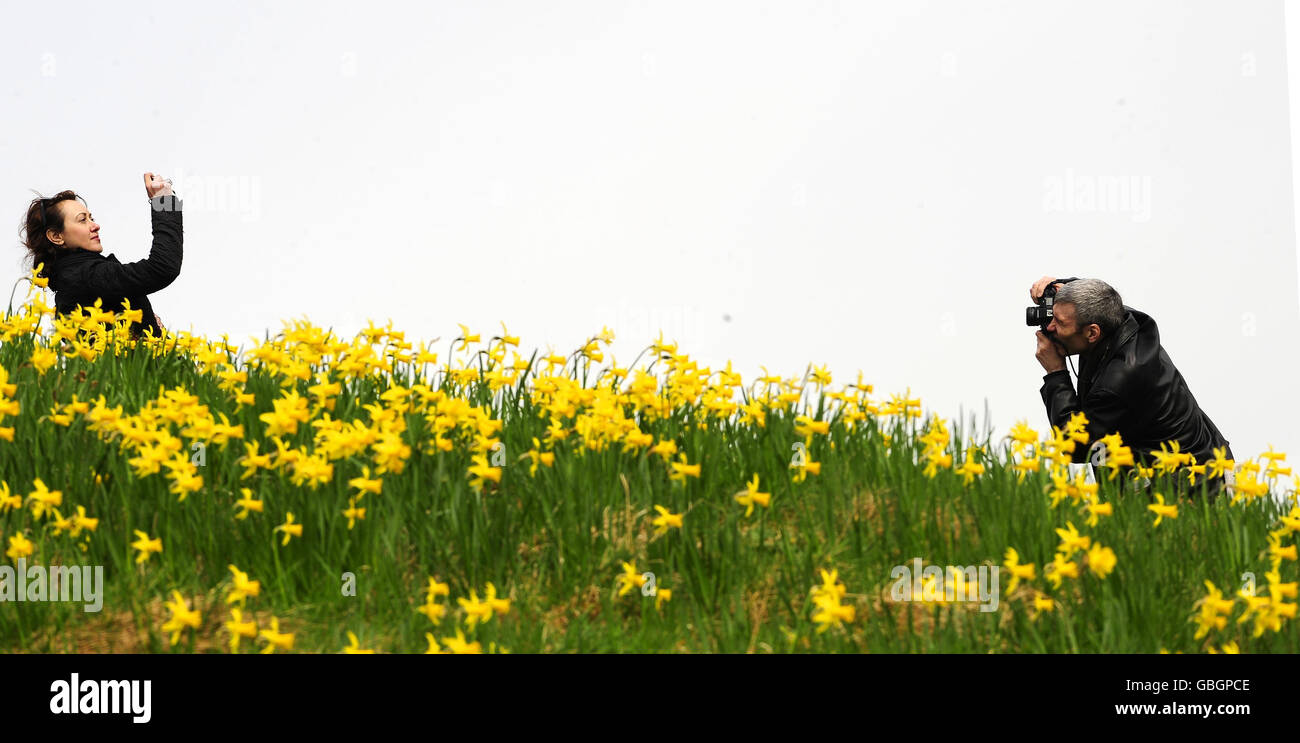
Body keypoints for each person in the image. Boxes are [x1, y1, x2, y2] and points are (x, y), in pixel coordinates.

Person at [1030, 276, 1234, 497]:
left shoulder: (1120, 380)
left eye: (1059, 323)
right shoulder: (1120, 317)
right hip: (1193, 465)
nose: (1050, 327)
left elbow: (1074, 444)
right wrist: (1062, 285)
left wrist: (1056, 373)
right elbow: (1100, 297)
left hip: (1193, 489)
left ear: (1092, 333)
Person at [22, 172, 183, 341]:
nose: (95, 226)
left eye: (92, 218)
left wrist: (150, 326)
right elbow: (163, 267)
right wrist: (164, 201)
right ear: (56, 236)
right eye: (82, 220)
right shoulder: (85, 276)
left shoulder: (72, 282)